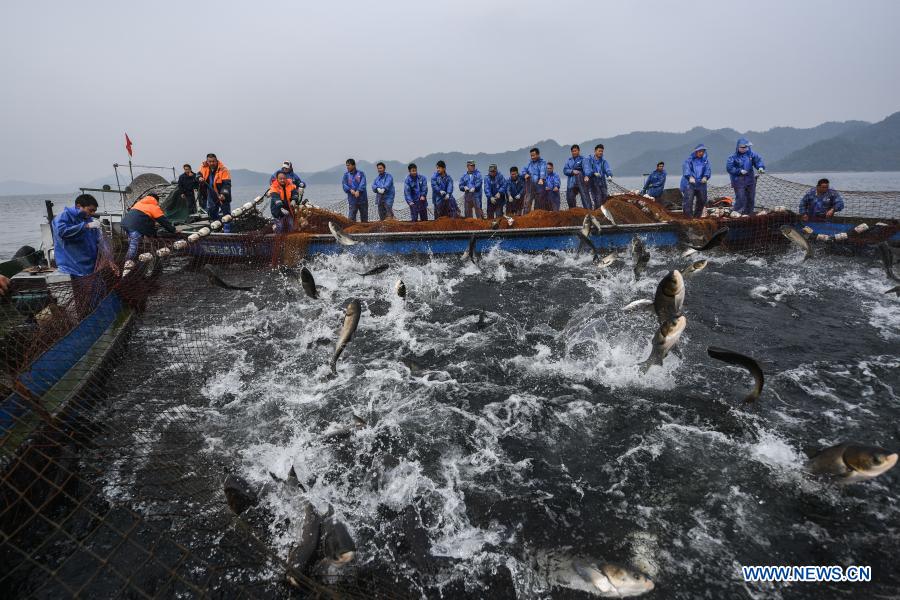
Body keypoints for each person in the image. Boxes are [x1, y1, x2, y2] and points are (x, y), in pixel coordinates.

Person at [52, 194, 102, 313]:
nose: (92, 213)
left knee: (97, 292)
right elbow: (63, 232)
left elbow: (96, 240)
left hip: (90, 265)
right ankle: (86, 316)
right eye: (90, 210)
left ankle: (95, 313)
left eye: (94, 211)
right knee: (83, 298)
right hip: (73, 266)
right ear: (79, 206)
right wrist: (85, 226)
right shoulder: (63, 217)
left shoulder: (88, 219)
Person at [121, 193, 177, 263]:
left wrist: (153, 235)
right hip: (135, 226)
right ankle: (128, 263)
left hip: (125, 224)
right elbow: (163, 221)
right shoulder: (154, 206)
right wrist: (173, 230)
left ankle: (133, 259)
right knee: (133, 245)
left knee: (132, 240)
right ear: (156, 200)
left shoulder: (139, 203)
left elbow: (146, 221)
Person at [726, 138, 766, 215]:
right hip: (738, 180)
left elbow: (758, 161)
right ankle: (737, 213)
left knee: (751, 198)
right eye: (742, 147)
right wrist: (739, 171)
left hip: (750, 180)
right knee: (741, 198)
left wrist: (760, 167)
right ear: (738, 147)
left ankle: (749, 214)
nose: (744, 149)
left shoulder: (751, 154)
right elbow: (729, 168)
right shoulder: (732, 157)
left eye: (745, 147)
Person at [198, 153, 233, 232]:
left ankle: (228, 231)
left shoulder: (223, 169)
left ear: (216, 160)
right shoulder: (204, 167)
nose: (212, 163)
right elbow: (198, 173)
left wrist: (223, 194)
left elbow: (227, 184)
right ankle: (217, 228)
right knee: (212, 212)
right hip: (211, 194)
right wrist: (199, 177)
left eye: (213, 161)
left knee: (226, 214)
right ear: (207, 161)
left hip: (222, 194)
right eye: (210, 161)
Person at [680, 144, 711, 217]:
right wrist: (690, 177)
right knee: (688, 200)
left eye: (703, 151)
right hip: (689, 183)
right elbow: (686, 169)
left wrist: (705, 177)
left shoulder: (705, 161)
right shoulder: (689, 160)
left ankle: (697, 216)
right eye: (700, 151)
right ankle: (688, 217)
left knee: (702, 200)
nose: (701, 153)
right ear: (696, 151)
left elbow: (708, 169)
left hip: (701, 183)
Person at [584, 144, 613, 209]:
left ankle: (602, 214)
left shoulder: (604, 161)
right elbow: (587, 169)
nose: (601, 153)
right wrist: (593, 173)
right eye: (599, 151)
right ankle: (597, 213)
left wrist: (609, 175)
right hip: (593, 183)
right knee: (597, 200)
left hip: (602, 183)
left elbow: (607, 169)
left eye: (602, 151)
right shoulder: (589, 160)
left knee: (605, 198)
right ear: (595, 151)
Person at [522, 147, 547, 213]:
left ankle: (537, 218)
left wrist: (541, 178)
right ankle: (525, 217)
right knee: (527, 202)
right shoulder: (529, 163)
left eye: (533, 155)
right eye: (531, 155)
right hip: (530, 186)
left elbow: (543, 171)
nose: (532, 157)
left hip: (539, 185)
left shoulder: (542, 162)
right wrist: (525, 174)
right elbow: (523, 169)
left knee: (538, 203)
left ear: (538, 155)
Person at [563, 144, 588, 209]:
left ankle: (588, 212)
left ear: (579, 151)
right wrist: (572, 171)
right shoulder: (569, 160)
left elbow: (586, 169)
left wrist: (586, 176)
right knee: (570, 199)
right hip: (571, 183)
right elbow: (565, 170)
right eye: (573, 151)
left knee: (585, 199)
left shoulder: (583, 159)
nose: (574, 152)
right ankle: (572, 212)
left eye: (575, 151)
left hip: (581, 182)